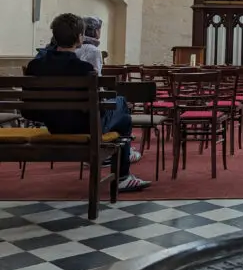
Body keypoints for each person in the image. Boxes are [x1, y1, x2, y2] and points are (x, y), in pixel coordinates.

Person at [25, 13, 150, 193]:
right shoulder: (83, 69)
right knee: (122, 106)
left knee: (119, 109)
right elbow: (97, 100)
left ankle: (123, 157)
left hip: (54, 126)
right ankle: (123, 175)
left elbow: (28, 112)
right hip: (84, 126)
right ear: (79, 38)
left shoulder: (35, 66)